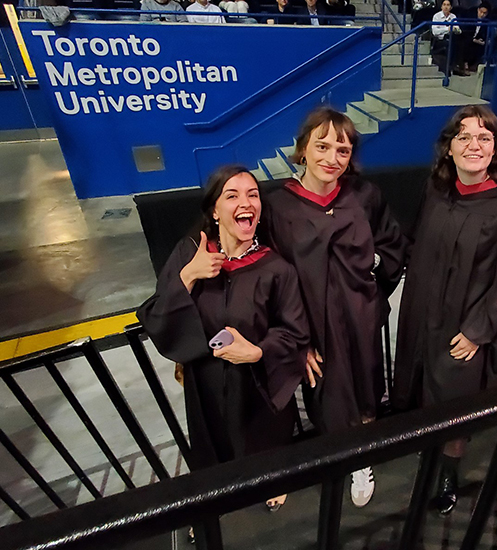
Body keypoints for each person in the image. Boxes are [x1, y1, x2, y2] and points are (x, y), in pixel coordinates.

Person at [137, 164, 310, 513]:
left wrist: (258, 351)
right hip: (206, 385)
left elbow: (295, 332)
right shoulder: (190, 255)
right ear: (214, 210)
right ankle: (212, 498)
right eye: (231, 195)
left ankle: (272, 479)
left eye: (252, 195)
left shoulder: (277, 269)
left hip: (258, 385)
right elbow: (154, 315)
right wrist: (188, 276)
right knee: (210, 446)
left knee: (265, 442)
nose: (245, 202)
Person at [393, 105, 497, 515]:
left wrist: (479, 330)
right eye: (464, 137)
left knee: (455, 397)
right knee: (420, 378)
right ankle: (423, 441)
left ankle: (448, 471)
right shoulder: (437, 191)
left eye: (484, 137)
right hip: (422, 311)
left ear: (496, 149)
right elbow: (415, 241)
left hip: (465, 322)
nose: (474, 144)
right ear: (449, 148)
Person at [263, 108, 406, 508]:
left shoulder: (364, 195)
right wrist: (293, 337)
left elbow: (392, 244)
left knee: (365, 390)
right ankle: (339, 453)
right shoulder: (278, 207)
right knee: (326, 394)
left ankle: (363, 456)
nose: (332, 158)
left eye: (342, 150)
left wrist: (372, 266)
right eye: (322, 146)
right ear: (303, 149)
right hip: (310, 324)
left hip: (360, 316)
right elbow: (269, 274)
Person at [431, 0, 465, 76]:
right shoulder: (436, 16)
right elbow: (435, 32)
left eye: (448, 5)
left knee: (460, 42)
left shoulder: (453, 17)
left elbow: (458, 29)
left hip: (451, 38)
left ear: (451, 7)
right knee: (451, 44)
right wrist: (447, 29)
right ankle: (450, 68)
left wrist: (455, 30)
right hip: (440, 40)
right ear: (441, 6)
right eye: (444, 5)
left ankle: (456, 67)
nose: (446, 7)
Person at [463, 2, 490, 72]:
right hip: (467, 38)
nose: (482, 14)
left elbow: (484, 34)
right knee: (466, 43)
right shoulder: (470, 18)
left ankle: (476, 65)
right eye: (481, 12)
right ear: (478, 10)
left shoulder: (486, 22)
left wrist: (482, 40)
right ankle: (464, 64)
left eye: (484, 13)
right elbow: (465, 32)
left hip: (477, 41)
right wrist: (473, 40)